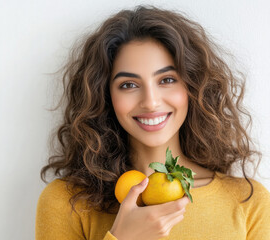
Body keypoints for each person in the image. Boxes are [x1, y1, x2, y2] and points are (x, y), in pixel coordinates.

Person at [35, 5, 270, 240]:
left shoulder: (248, 202)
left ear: (193, 87)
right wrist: (122, 236)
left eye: (167, 79)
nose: (151, 102)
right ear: (106, 96)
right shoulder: (67, 202)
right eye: (128, 85)